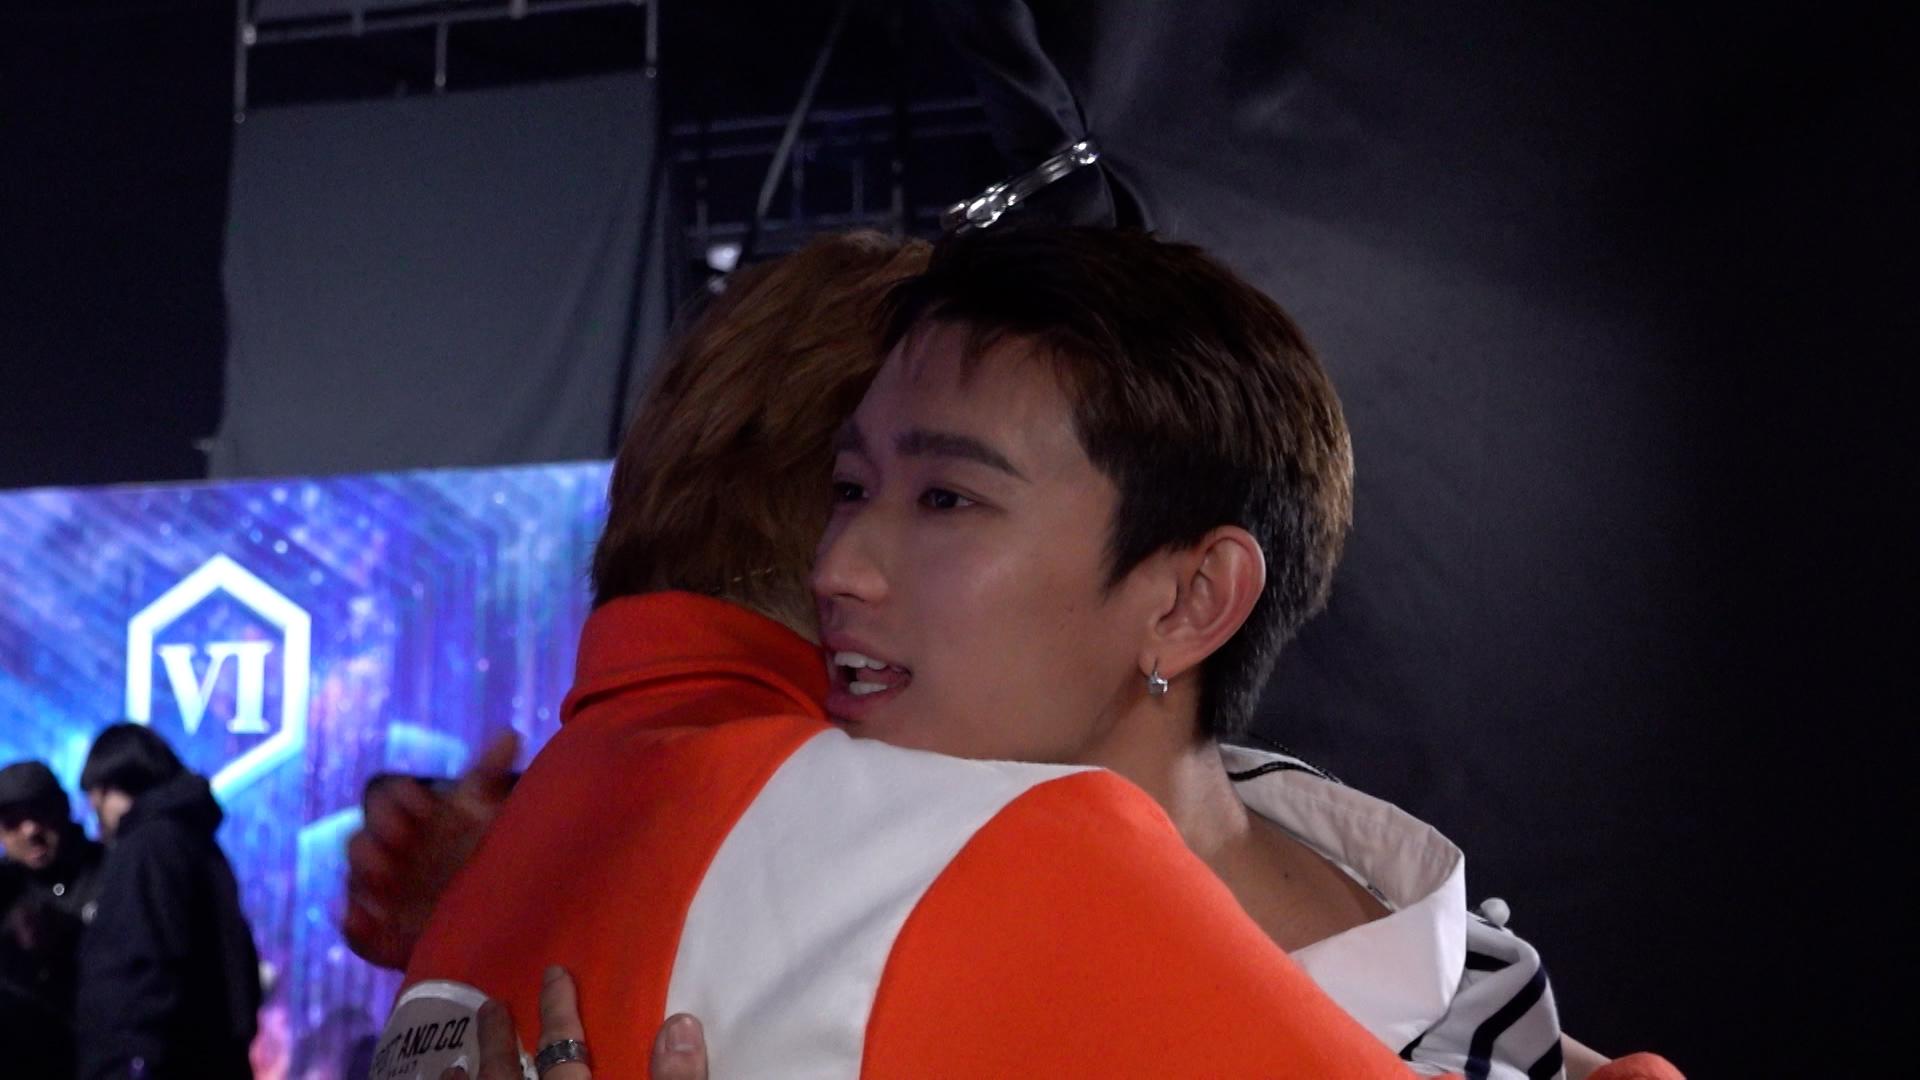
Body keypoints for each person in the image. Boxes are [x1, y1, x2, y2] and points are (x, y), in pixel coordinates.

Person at [356, 228, 1678, 1079]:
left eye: (945, 497)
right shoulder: (860, 885)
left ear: (1188, 601)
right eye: (845, 487)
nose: (838, 567)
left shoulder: (1446, 966)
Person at [75, 722, 263, 1080]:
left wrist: (125, 1065)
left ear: (106, 786)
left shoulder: (147, 847)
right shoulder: (193, 842)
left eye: (94, 795)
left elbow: (139, 967)